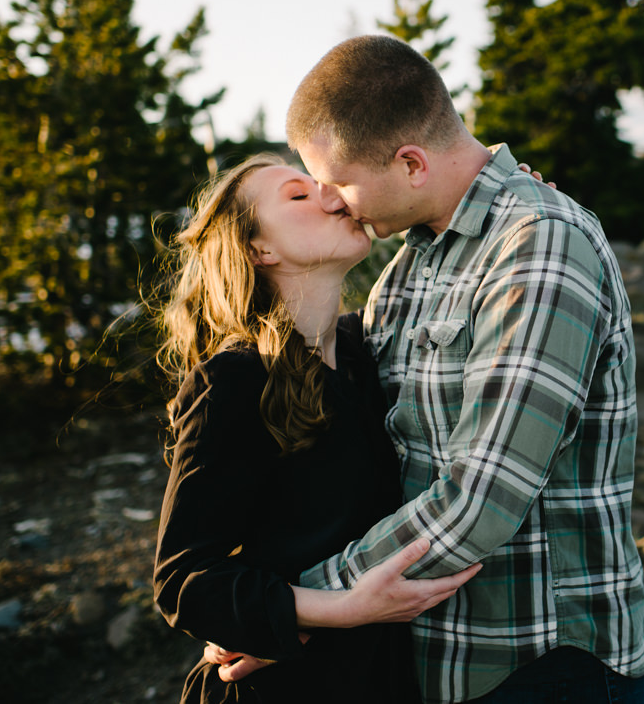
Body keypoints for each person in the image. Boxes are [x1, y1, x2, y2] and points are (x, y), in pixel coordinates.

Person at [273, 34, 644, 702]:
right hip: (439, 657)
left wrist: (303, 605)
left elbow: (482, 498)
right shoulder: (412, 262)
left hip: (539, 665)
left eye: (339, 183)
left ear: (412, 163)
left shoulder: (539, 245)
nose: (332, 201)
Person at [152, 153, 481, 703]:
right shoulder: (234, 380)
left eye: (324, 184)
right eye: (298, 196)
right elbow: (183, 582)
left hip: (378, 680)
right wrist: (338, 609)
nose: (332, 195)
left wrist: (503, 189)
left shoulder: (367, 353)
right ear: (260, 249)